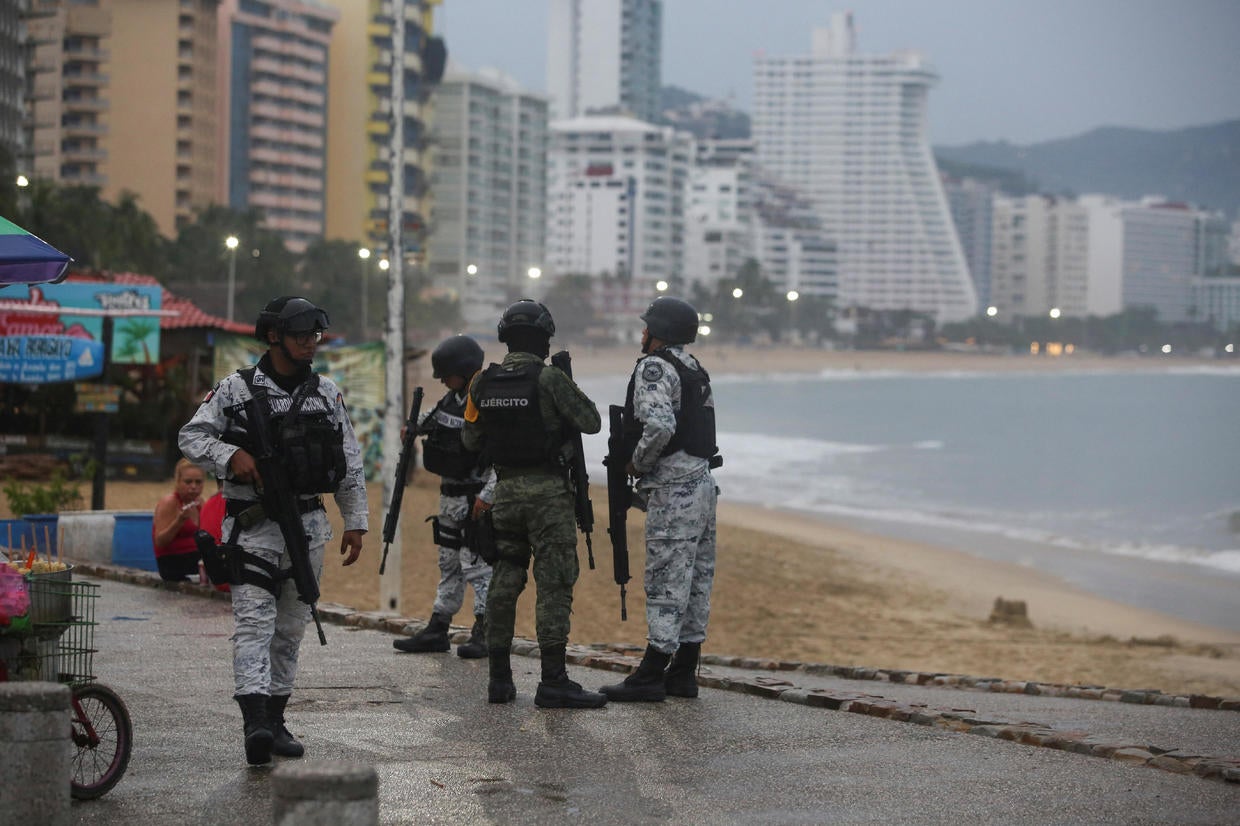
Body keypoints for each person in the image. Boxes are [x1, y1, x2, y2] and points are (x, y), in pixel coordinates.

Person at [179, 296, 368, 765]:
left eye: (314, 335)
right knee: (253, 625)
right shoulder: (236, 390)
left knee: (290, 630)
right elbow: (191, 436)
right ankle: (255, 723)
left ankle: (277, 719)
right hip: (253, 528)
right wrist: (230, 457)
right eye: (300, 334)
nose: (309, 343)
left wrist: (356, 521)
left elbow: (349, 461)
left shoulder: (327, 392)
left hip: (308, 529)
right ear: (274, 336)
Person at [462, 299, 606, 709]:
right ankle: (553, 680)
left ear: (505, 338)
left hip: (504, 495)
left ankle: (499, 679)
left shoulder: (480, 383)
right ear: (545, 339)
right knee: (554, 582)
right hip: (547, 497)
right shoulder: (548, 379)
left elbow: (470, 441)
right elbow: (591, 421)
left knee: (505, 579)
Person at [601, 296, 720, 703]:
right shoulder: (693, 368)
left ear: (658, 333)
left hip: (673, 489)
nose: (642, 333)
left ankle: (652, 673)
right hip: (703, 486)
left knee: (666, 581)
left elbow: (660, 425)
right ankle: (684, 673)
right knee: (696, 580)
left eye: (646, 327)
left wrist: (635, 463)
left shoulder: (656, 368)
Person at [393, 334, 495, 658]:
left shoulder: (484, 402)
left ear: (464, 370)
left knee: (476, 565)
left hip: (474, 500)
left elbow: (499, 457)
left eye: (447, 375)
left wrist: (489, 496)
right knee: (448, 563)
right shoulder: (451, 399)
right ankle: (439, 627)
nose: (444, 381)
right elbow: (432, 422)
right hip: (449, 499)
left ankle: (485, 629)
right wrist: (413, 429)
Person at [151, 458, 206, 582]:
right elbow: (160, 542)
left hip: (195, 557)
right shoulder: (170, 503)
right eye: (188, 482)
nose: (193, 486)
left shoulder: (200, 502)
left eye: (198, 482)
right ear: (178, 482)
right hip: (172, 561)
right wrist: (179, 521)